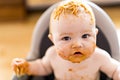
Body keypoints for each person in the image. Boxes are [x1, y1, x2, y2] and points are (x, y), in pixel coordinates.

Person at [12, 0, 120, 80]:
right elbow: (43, 67)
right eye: (66, 38)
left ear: (95, 35)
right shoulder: (52, 55)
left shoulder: (99, 57)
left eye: (85, 36)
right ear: (53, 40)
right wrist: (27, 67)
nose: (77, 44)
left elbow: (115, 70)